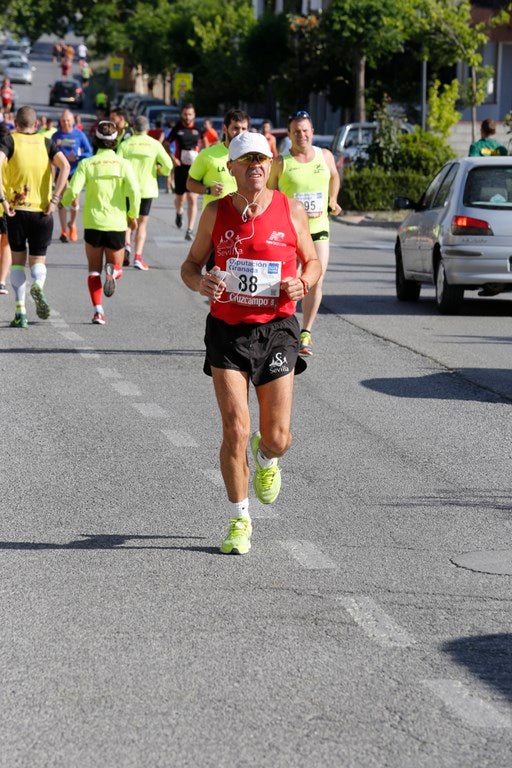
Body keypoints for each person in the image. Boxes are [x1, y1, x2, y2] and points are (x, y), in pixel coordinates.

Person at [181, 131, 321, 555]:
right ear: (232, 167)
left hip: (277, 328)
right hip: (227, 331)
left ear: (271, 163)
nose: (256, 164)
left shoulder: (290, 208)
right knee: (235, 428)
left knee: (276, 436)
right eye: (247, 159)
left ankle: (268, 456)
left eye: (262, 157)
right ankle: (240, 519)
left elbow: (312, 260)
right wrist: (200, 282)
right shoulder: (215, 212)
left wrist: (302, 281)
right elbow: (189, 266)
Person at [268, 109, 341, 357]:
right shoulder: (280, 163)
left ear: (312, 133)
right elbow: (269, 193)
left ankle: (306, 333)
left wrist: (333, 199)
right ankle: (281, 327)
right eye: (296, 131)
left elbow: (334, 176)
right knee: (290, 281)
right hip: (290, 231)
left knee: (315, 279)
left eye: (305, 131)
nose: (301, 135)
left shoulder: (325, 156)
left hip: (319, 228)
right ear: (289, 134)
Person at [60, 120, 140, 325]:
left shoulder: (87, 164)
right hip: (116, 223)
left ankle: (98, 311)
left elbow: (73, 190)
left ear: (95, 140)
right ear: (116, 141)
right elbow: (134, 191)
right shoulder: (124, 164)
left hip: (93, 222)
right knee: (117, 266)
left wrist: (62, 203)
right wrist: (133, 215)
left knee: (93, 270)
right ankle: (113, 272)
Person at [0, 105, 70, 328]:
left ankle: (20, 311)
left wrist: (2, 199)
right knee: (38, 260)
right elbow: (66, 166)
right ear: (36, 125)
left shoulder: (10, 141)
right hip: (43, 211)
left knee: (18, 262)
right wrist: (55, 199)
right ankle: (38, 284)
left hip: (15, 210)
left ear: (16, 124)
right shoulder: (46, 143)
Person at [117, 115, 173, 270]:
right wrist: (160, 171)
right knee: (142, 224)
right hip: (147, 188)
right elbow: (168, 164)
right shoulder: (154, 144)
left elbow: (118, 165)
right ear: (147, 129)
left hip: (128, 188)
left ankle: (127, 245)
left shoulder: (125, 144)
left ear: (133, 128)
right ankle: (138, 257)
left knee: (128, 220)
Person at [187, 108, 250, 212]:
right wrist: (208, 190)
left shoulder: (252, 156)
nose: (240, 133)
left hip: (242, 218)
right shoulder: (207, 155)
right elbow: (190, 183)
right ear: (225, 128)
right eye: (235, 128)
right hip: (215, 219)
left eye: (244, 129)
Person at [52, 109, 93, 242]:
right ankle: (63, 231)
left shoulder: (79, 135)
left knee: (74, 200)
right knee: (63, 200)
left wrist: (76, 156)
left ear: (73, 121)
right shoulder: (56, 136)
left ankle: (72, 224)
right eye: (63, 120)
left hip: (75, 172)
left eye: (68, 120)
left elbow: (89, 152)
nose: (65, 123)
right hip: (61, 172)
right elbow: (50, 154)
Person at [164, 102, 201, 241]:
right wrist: (173, 158)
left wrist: (202, 158)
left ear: (194, 115)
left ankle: (190, 229)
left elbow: (207, 144)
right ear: (182, 114)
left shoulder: (198, 129)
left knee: (192, 198)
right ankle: (179, 212)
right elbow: (166, 144)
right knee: (180, 198)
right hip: (180, 168)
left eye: (190, 114)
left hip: (195, 168)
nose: (187, 117)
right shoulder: (177, 128)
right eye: (185, 114)